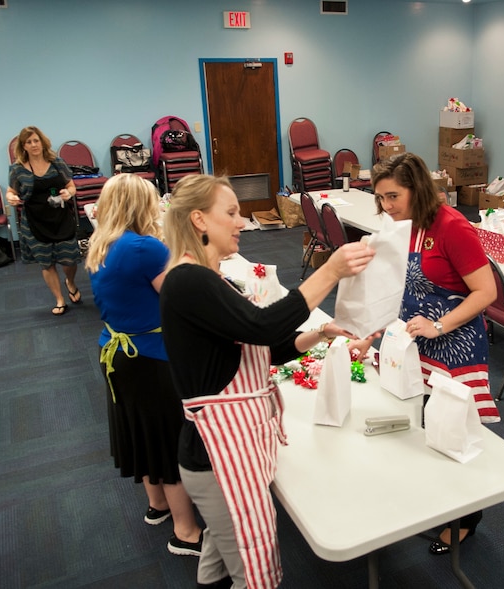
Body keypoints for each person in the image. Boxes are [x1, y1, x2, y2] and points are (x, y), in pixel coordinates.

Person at [159, 174, 375, 589]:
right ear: (200, 220)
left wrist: (320, 334)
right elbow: (260, 326)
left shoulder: (208, 278)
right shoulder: (189, 280)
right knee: (251, 570)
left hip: (221, 448)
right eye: (232, 213)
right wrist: (328, 272)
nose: (242, 222)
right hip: (215, 455)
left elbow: (263, 349)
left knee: (220, 558)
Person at [353, 152, 500, 555]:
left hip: (454, 346)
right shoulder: (403, 226)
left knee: (455, 432)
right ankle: (438, 502)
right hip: (416, 344)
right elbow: (398, 292)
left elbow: (486, 293)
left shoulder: (453, 227)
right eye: (380, 198)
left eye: (393, 196)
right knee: (423, 427)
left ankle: (468, 519)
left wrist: (440, 325)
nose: (386, 206)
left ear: (417, 189)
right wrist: (372, 334)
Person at [84, 173, 203, 556]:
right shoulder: (142, 248)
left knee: (142, 433)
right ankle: (186, 533)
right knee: (168, 442)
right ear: (143, 205)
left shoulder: (103, 243)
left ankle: (158, 506)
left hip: (117, 353)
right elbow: (181, 297)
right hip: (150, 358)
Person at [6, 126, 82, 315]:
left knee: (70, 259)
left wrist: (68, 193)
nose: (33, 145)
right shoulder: (17, 170)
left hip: (60, 218)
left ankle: (70, 282)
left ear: (42, 142)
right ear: (23, 146)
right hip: (34, 221)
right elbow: (11, 191)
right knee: (47, 263)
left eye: (36, 140)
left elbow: (71, 186)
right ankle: (59, 299)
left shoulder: (57, 162)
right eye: (28, 142)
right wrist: (11, 198)